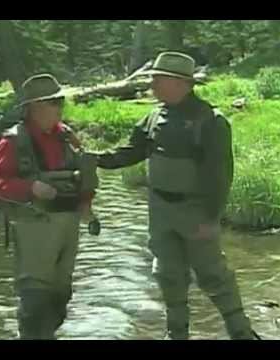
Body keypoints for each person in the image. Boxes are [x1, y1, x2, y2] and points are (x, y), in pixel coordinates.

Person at [90, 52, 256, 340]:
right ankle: (176, 333)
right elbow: (131, 152)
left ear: (181, 83)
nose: (152, 85)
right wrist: (95, 159)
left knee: (213, 274)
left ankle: (241, 332)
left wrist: (211, 217)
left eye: (158, 79)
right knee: (167, 274)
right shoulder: (153, 117)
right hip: (160, 211)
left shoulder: (211, 121)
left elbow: (219, 176)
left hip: (195, 211)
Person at [0, 73, 98, 340]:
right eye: (53, 103)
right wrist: (29, 188)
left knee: (60, 299)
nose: (60, 108)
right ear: (33, 107)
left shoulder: (67, 137)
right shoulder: (12, 142)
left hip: (69, 226)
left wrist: (86, 204)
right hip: (34, 227)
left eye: (60, 102)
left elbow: (82, 174)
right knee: (34, 301)